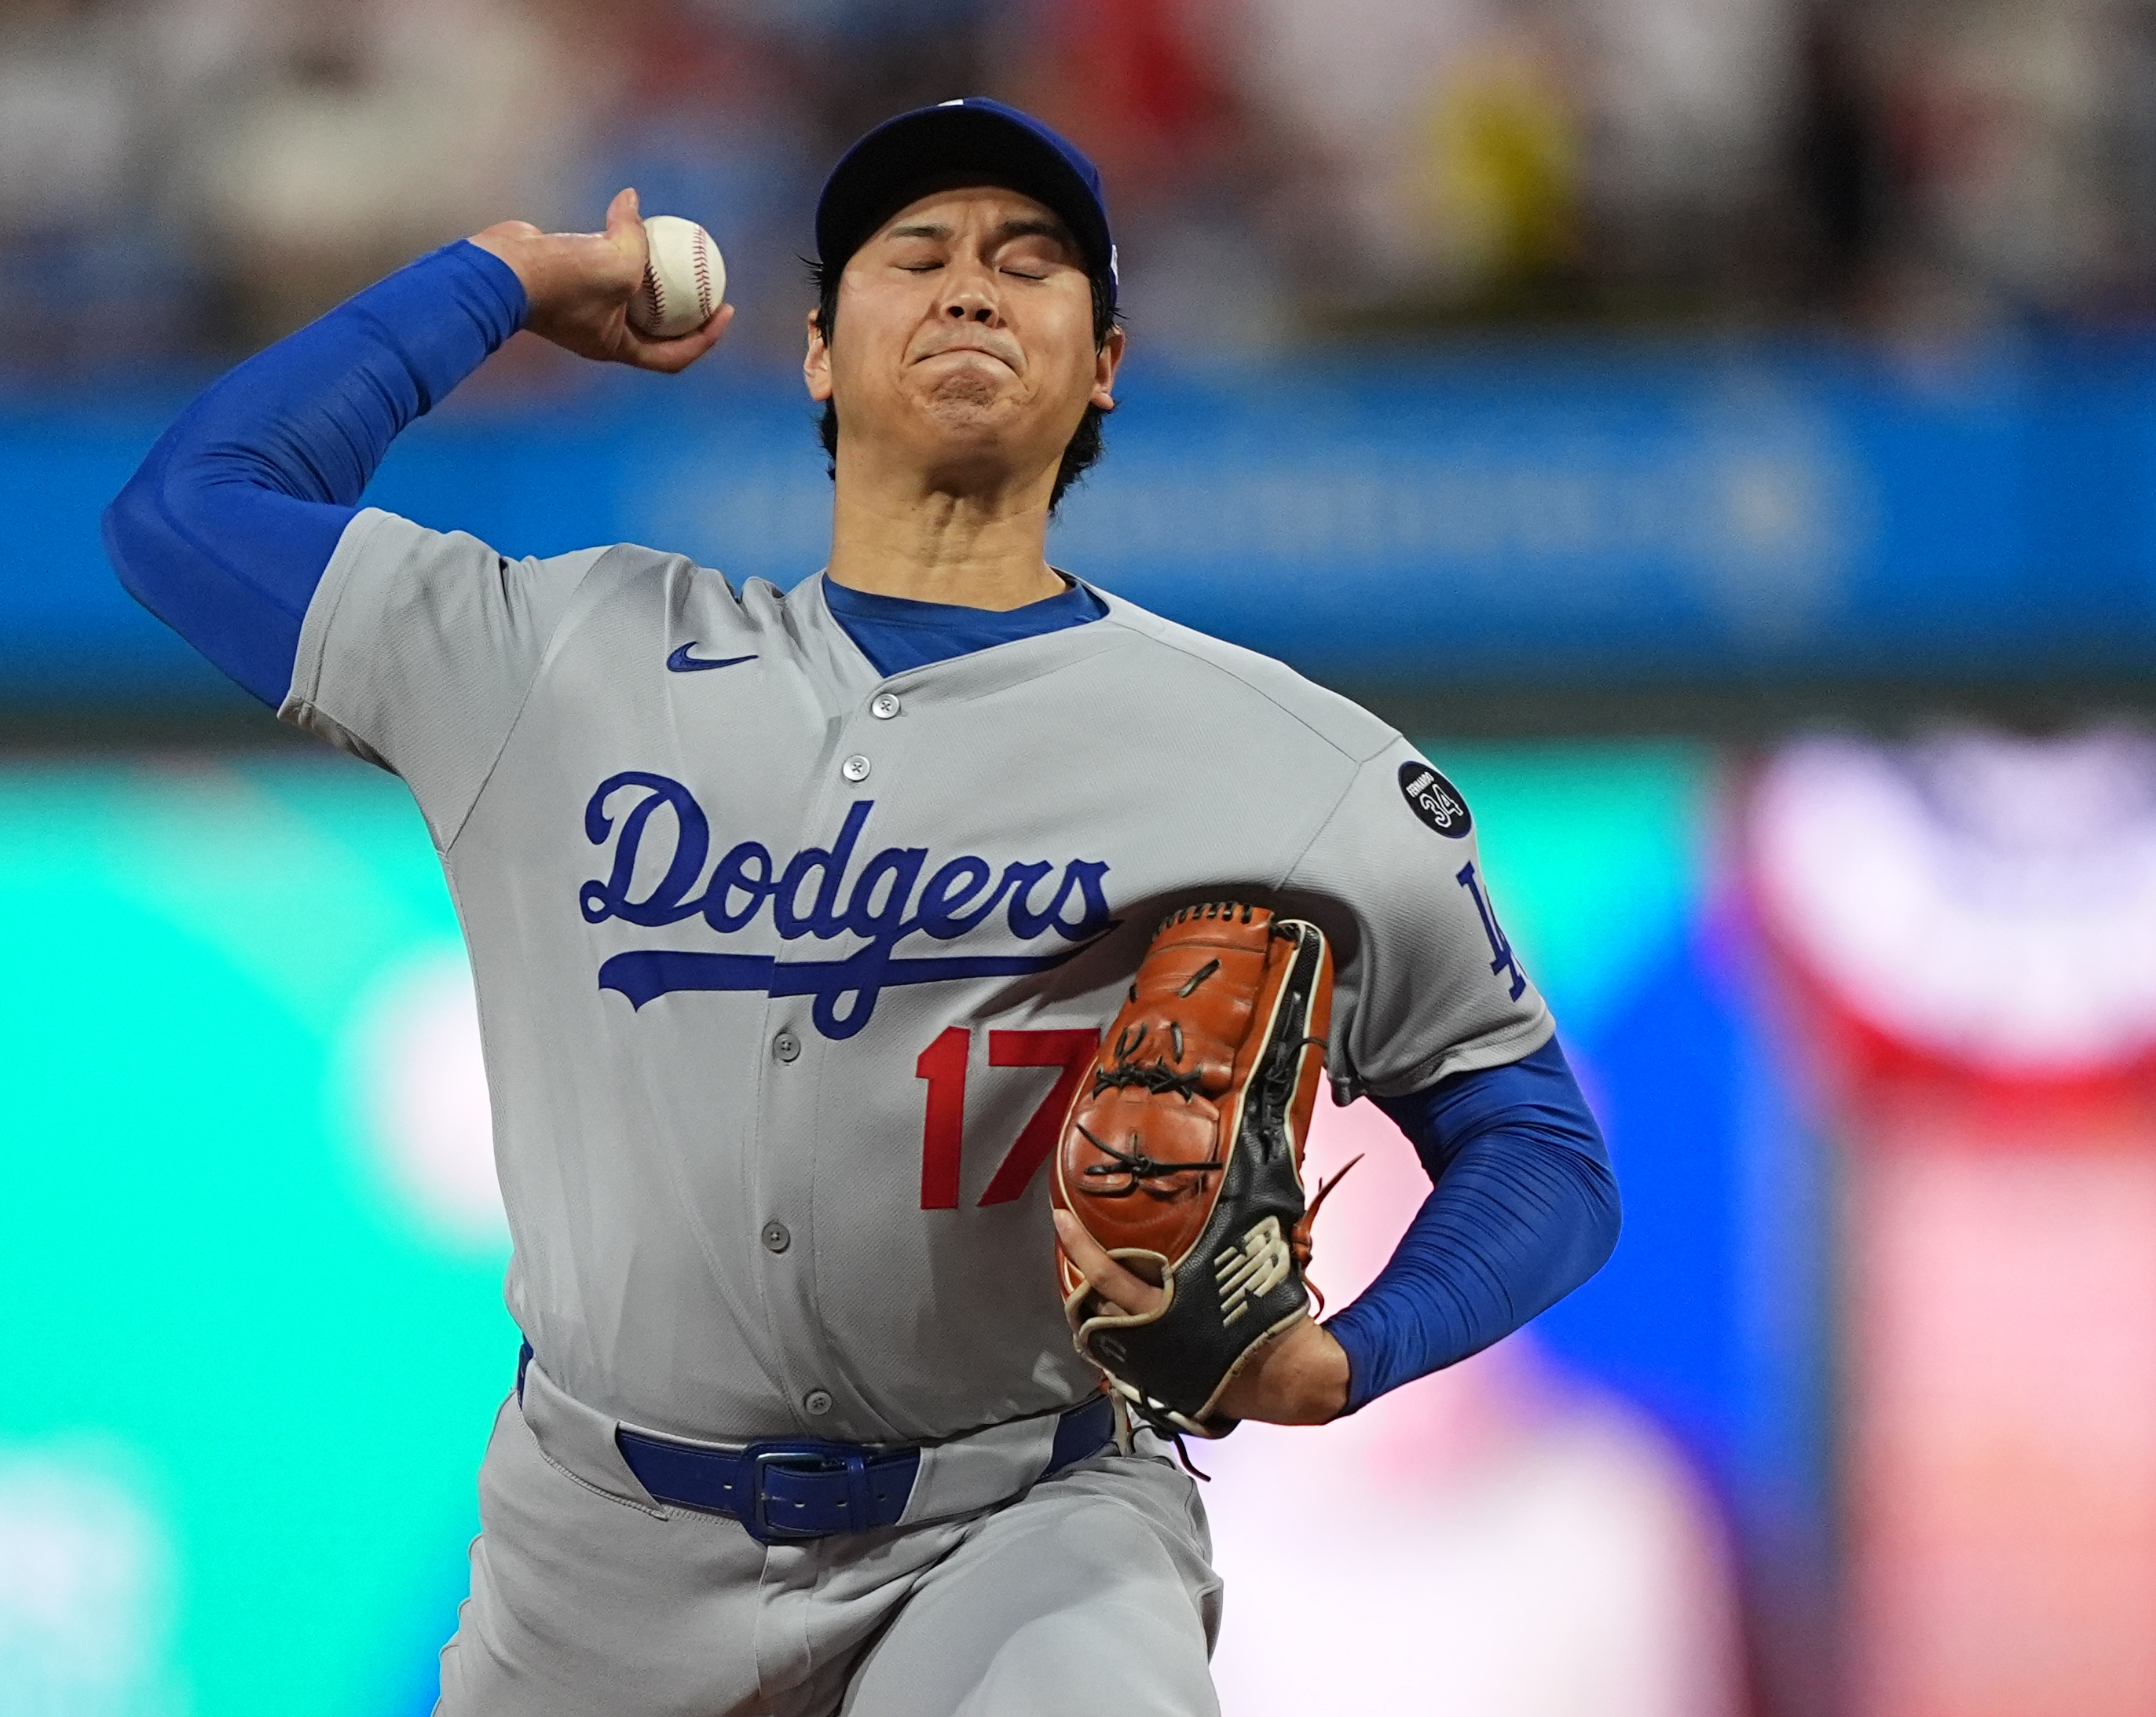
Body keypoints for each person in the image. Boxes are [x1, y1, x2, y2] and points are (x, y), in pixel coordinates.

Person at [103, 97, 1620, 1717]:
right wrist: (510, 277)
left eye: (1027, 262)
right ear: (817, 352)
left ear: (1104, 364)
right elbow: (188, 508)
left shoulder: (1285, 758)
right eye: (916, 254)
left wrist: (1346, 1356)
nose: (970, 284)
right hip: (596, 1544)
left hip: (1023, 1521)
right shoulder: (560, 657)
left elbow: (1537, 1144)